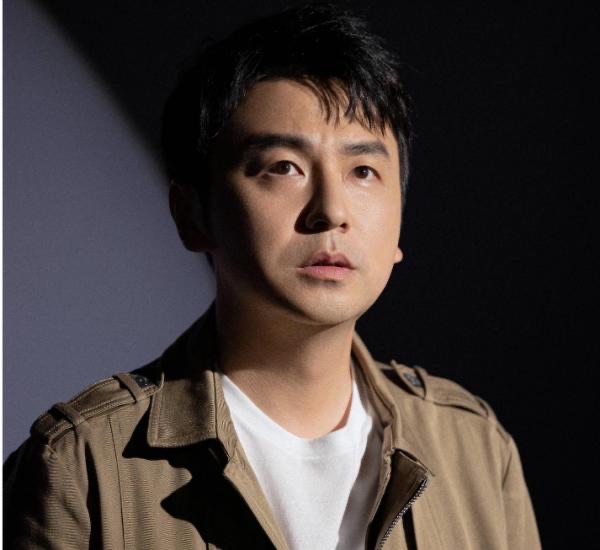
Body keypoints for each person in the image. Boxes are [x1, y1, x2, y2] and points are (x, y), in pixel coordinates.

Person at [3, 2, 542, 549]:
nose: (331, 211)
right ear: (192, 215)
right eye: (284, 167)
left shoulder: (476, 449)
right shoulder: (82, 468)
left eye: (362, 171)